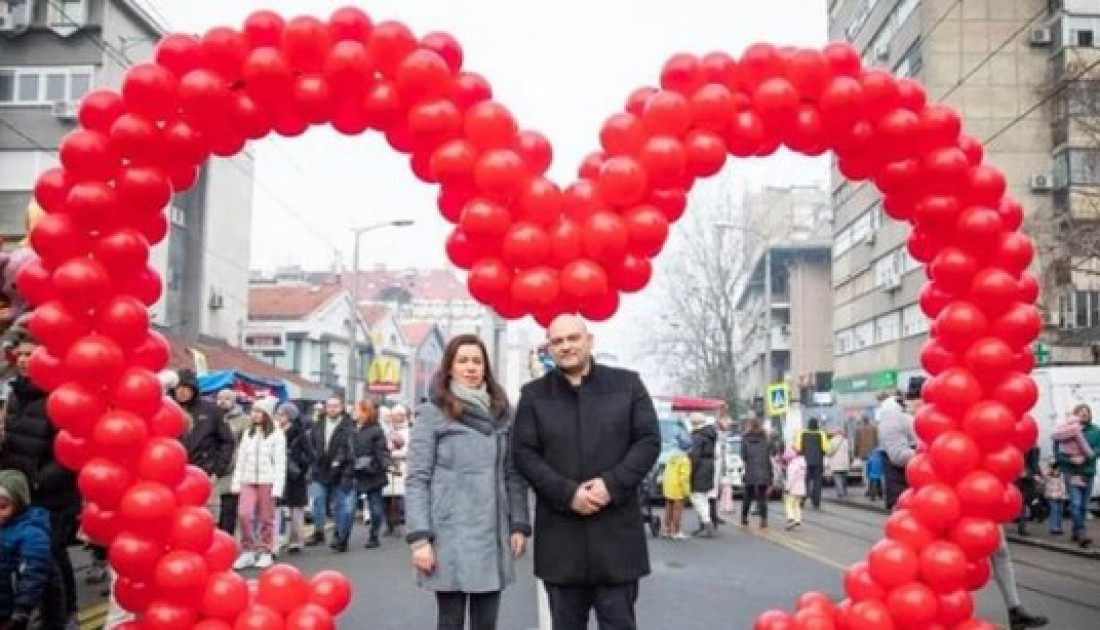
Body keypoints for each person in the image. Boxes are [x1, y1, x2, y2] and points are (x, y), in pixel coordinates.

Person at [513, 315, 660, 630]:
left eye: (573, 338)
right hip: (561, 541)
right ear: (549, 348)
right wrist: (568, 494)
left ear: (589, 341)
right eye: (557, 341)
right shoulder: (533, 395)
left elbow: (648, 441)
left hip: (617, 540)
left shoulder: (628, 385)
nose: (566, 347)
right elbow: (524, 454)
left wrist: (611, 485)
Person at [405, 334, 530, 630]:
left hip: (491, 531)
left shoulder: (503, 414)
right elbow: (417, 478)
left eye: (477, 361)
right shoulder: (432, 412)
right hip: (448, 532)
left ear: (485, 367)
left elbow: (513, 473)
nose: (471, 367)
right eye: (463, 361)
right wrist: (419, 539)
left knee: (486, 623)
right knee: (450, 622)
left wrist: (518, 524)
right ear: (449, 367)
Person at [0, 330, 80, 625]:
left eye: (29, 354)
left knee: (52, 558)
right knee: (31, 559)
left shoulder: (62, 396)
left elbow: (70, 450)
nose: (23, 361)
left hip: (51, 494)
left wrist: (36, 481)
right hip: (19, 492)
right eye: (19, 355)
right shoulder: (16, 394)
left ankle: (64, 615)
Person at [0, 469, 65, 630]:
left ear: (19, 503)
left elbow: (33, 576)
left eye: (2, 506)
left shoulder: (32, 535)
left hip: (22, 612)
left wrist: (21, 612)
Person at [231, 397, 286, 570]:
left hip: (267, 480)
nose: (254, 415)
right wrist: (236, 482)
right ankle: (247, 550)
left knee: (266, 518)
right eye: (253, 411)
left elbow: (279, 462)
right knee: (244, 514)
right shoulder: (248, 433)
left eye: (258, 411)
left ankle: (265, 550)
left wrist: (277, 487)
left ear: (266, 414)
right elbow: (241, 459)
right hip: (248, 479)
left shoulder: (276, 434)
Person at [307, 397, 357, 552]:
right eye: (329, 406)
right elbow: (312, 445)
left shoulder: (349, 426)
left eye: (335, 406)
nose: (332, 409)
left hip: (342, 471)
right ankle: (319, 531)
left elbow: (350, 448)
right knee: (317, 500)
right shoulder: (318, 425)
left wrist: (341, 462)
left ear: (341, 407)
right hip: (320, 470)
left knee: (342, 507)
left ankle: (341, 538)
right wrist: (313, 461)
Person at [175, 369, 235, 490]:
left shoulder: (211, 410)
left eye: (187, 387)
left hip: (202, 473)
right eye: (179, 387)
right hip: (171, 471)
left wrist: (217, 471)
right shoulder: (166, 408)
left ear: (194, 389)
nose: (182, 391)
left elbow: (227, 441)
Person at [1053, 403, 1100, 548]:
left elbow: (1098, 449)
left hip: (1088, 472)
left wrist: (1086, 458)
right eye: (1081, 412)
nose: (1084, 414)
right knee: (1075, 503)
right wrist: (1069, 459)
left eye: (1086, 412)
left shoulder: (1095, 430)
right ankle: (1081, 532)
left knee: (1084, 506)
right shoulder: (1065, 430)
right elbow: (1057, 453)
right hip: (1071, 472)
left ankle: (1076, 531)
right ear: (1075, 414)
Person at [276, 402, 314, 555]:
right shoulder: (275, 431)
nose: (279, 418)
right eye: (278, 414)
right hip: (280, 473)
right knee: (279, 507)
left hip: (295, 475)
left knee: (295, 509)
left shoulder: (299, 433)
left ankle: (296, 540)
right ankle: (280, 539)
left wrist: (299, 465)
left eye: (282, 415)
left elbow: (311, 455)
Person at [351, 400, 390, 550]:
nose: (354, 412)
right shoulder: (351, 428)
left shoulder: (376, 430)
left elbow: (382, 451)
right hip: (354, 472)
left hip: (372, 472)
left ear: (365, 412)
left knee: (375, 506)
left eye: (357, 410)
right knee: (349, 506)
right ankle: (341, 537)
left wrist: (381, 464)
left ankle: (374, 535)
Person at [214, 389, 250, 534]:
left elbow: (244, 447)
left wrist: (233, 463)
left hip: (232, 471)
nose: (222, 401)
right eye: (220, 398)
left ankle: (226, 539)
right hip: (212, 469)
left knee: (228, 510)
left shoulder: (244, 421)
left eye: (227, 398)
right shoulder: (213, 417)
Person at [876, 393, 916, 510]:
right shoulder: (892, 416)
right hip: (901, 488)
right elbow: (897, 455)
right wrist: (928, 454)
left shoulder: (906, 415)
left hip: (916, 488)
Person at [687, 412, 718, 538]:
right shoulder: (710, 434)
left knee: (696, 496)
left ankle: (706, 522)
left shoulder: (697, 436)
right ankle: (704, 523)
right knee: (704, 495)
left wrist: (690, 470)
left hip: (700, 467)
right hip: (709, 465)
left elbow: (695, 456)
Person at [383, 404, 411, 537]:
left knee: (401, 496)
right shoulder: (388, 431)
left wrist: (399, 454)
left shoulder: (410, 431)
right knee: (388, 496)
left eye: (398, 415)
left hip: (404, 465)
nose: (395, 418)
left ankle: (402, 523)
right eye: (393, 416)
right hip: (389, 466)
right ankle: (389, 523)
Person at [740, 418, 773, 529]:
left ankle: (744, 517)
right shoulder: (766, 439)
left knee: (748, 495)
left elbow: (743, 456)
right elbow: (769, 454)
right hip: (764, 469)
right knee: (762, 496)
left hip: (750, 469)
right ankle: (763, 520)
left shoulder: (745, 438)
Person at [794, 417, 830, 509]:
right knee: (817, 481)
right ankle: (816, 501)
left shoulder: (802, 433)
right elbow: (826, 448)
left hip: (804, 462)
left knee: (804, 480)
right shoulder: (822, 433)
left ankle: (802, 499)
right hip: (818, 461)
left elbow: (797, 448)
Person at [661, 433, 692, 539]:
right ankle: (676, 531)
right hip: (678, 488)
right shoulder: (684, 460)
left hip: (668, 487)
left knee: (668, 508)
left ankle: (667, 530)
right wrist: (686, 492)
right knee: (677, 510)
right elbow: (684, 478)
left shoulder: (670, 457)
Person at [782, 446, 807, 530]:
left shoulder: (792, 465)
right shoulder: (803, 463)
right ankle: (797, 519)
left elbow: (791, 479)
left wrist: (787, 488)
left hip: (793, 488)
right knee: (797, 504)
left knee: (789, 503)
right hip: (801, 488)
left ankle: (791, 518)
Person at [1044, 459, 1067, 536]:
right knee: (1054, 511)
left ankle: (1059, 527)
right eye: (1054, 466)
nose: (1055, 468)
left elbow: (1063, 484)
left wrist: (1064, 494)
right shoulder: (1048, 473)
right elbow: (1045, 476)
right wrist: (1049, 467)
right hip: (1052, 495)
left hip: (1060, 495)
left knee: (1060, 511)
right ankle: (1054, 528)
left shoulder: (1061, 473)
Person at [827, 428, 851, 500]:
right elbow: (850, 452)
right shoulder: (846, 441)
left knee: (837, 478)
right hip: (845, 463)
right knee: (843, 478)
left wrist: (828, 455)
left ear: (835, 433)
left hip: (836, 462)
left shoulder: (832, 441)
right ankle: (844, 491)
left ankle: (841, 493)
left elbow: (829, 452)